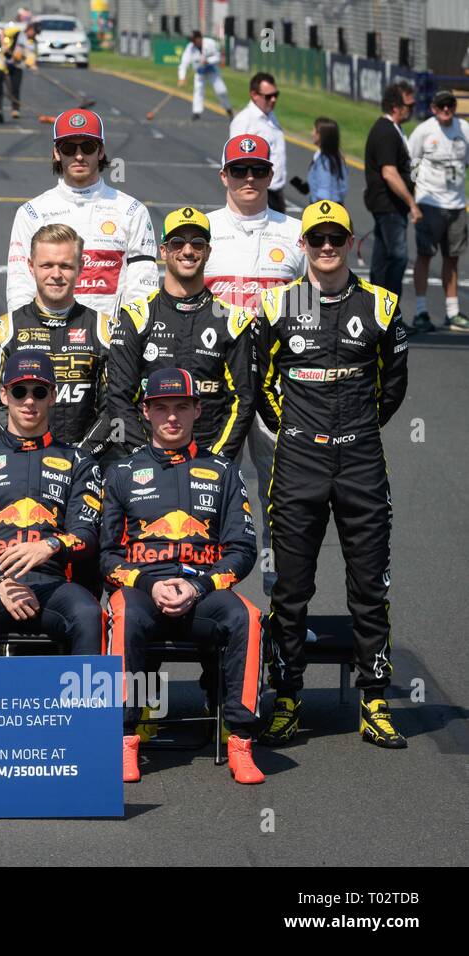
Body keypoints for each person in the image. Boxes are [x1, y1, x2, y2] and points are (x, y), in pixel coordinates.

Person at [255, 200, 410, 750]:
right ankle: (287, 697)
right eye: (316, 238)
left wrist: (357, 430)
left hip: (362, 459)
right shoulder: (276, 303)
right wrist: (293, 430)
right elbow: (260, 384)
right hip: (298, 460)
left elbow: (392, 387)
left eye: (335, 238)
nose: (326, 247)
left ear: (351, 244)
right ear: (303, 244)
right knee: (291, 589)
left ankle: (374, 699)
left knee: (370, 587)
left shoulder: (382, 304)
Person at [101, 368, 263, 785]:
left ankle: (240, 740)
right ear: (146, 413)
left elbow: (242, 550)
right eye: (161, 408)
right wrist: (149, 584)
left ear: (197, 410)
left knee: (247, 617)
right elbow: (107, 556)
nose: (171, 417)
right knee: (124, 617)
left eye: (180, 407)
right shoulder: (120, 472)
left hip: (203, 587)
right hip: (142, 588)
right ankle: (123, 739)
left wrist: (197, 586)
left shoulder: (225, 471)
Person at [0, 352, 104, 658]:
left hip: (54, 584)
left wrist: (50, 545)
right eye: (20, 391)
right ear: (4, 396)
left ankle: (88, 706)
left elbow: (87, 534)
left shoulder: (79, 461)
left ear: (53, 396)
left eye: (39, 391)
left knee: (89, 614)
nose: (29, 401)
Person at [203, 133, 305, 595]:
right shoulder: (200, 231)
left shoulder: (295, 232)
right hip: (213, 387)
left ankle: (281, 603)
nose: (249, 179)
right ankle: (204, 593)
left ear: (270, 175)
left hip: (274, 388)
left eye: (258, 170)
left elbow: (309, 318)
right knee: (205, 491)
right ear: (224, 174)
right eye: (239, 170)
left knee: (279, 498)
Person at [107, 206, 256, 461]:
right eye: (178, 243)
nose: (188, 251)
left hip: (210, 458)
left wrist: (218, 460)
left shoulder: (233, 319)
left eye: (197, 243)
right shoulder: (136, 316)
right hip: (149, 460)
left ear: (208, 252)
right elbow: (119, 397)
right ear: (163, 251)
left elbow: (243, 403)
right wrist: (144, 457)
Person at [6, 109, 157, 318]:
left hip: (112, 340)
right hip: (47, 339)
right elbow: (20, 284)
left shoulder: (132, 211)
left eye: (88, 147)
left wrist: (128, 337)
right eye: (68, 148)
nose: (79, 156)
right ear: (57, 153)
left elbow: (143, 287)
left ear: (101, 151)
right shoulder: (32, 213)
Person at [0, 222, 112, 455]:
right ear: (31, 267)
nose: (56, 275)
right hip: (21, 457)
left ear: (80, 267)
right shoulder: (4, 329)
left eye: (66, 266)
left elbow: (112, 408)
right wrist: (27, 450)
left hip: (87, 463)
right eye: (47, 265)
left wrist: (81, 457)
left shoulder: (105, 329)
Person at [408, 89, 469, 332]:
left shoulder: (464, 129)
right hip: (429, 202)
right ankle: (422, 311)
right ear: (433, 108)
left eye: (450, 106)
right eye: (441, 106)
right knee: (425, 255)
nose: (446, 110)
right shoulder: (424, 130)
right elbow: (410, 161)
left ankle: (452, 312)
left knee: (452, 257)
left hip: (456, 204)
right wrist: (415, 199)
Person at [362, 80, 418, 302]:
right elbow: (389, 173)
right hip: (389, 206)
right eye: (409, 105)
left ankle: (376, 307)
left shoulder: (394, 130)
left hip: (391, 206)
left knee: (382, 257)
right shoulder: (386, 132)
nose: (412, 110)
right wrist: (412, 204)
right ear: (395, 106)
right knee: (398, 257)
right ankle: (390, 311)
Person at [229, 72, 287, 212]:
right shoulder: (244, 122)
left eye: (275, 95)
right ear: (254, 95)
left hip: (276, 192)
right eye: (268, 96)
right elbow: (234, 160)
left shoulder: (270, 116)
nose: (273, 100)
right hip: (259, 193)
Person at [178, 29, 233, 120]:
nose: (193, 42)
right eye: (192, 40)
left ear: (199, 38)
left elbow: (218, 57)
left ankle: (228, 109)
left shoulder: (211, 43)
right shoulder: (190, 48)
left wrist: (208, 61)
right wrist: (182, 77)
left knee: (221, 91)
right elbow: (183, 63)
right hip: (199, 72)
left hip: (212, 70)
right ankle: (197, 112)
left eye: (194, 40)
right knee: (198, 90)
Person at [296, 117, 348, 204]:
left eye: (315, 131)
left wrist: (318, 214)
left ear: (322, 135)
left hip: (323, 210)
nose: (312, 133)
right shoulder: (336, 157)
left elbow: (324, 194)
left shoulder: (325, 162)